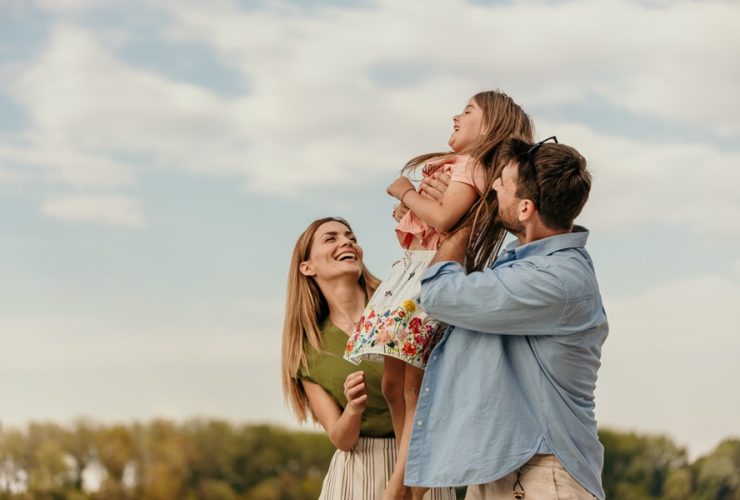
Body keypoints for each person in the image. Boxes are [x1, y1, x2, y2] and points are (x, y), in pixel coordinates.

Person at [345, 91, 534, 500]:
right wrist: (412, 214)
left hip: (425, 279)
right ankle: (409, 475)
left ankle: (400, 487)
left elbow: (447, 218)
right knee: (394, 385)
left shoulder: (470, 166)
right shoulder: (460, 168)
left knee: (412, 389)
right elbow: (438, 222)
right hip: (412, 272)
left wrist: (405, 193)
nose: (455, 116)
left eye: (467, 111)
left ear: (488, 127)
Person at [405, 137, 608, 500]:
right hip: (506, 467)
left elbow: (440, 294)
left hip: (544, 474)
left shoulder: (554, 279)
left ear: (526, 208)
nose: (493, 186)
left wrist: (464, 221)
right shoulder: (527, 264)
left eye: (503, 183)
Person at [281, 217, 455, 500]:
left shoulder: (402, 304)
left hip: (418, 460)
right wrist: (352, 409)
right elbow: (340, 439)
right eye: (331, 238)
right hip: (357, 474)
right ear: (307, 267)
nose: (346, 241)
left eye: (350, 236)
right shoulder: (307, 350)